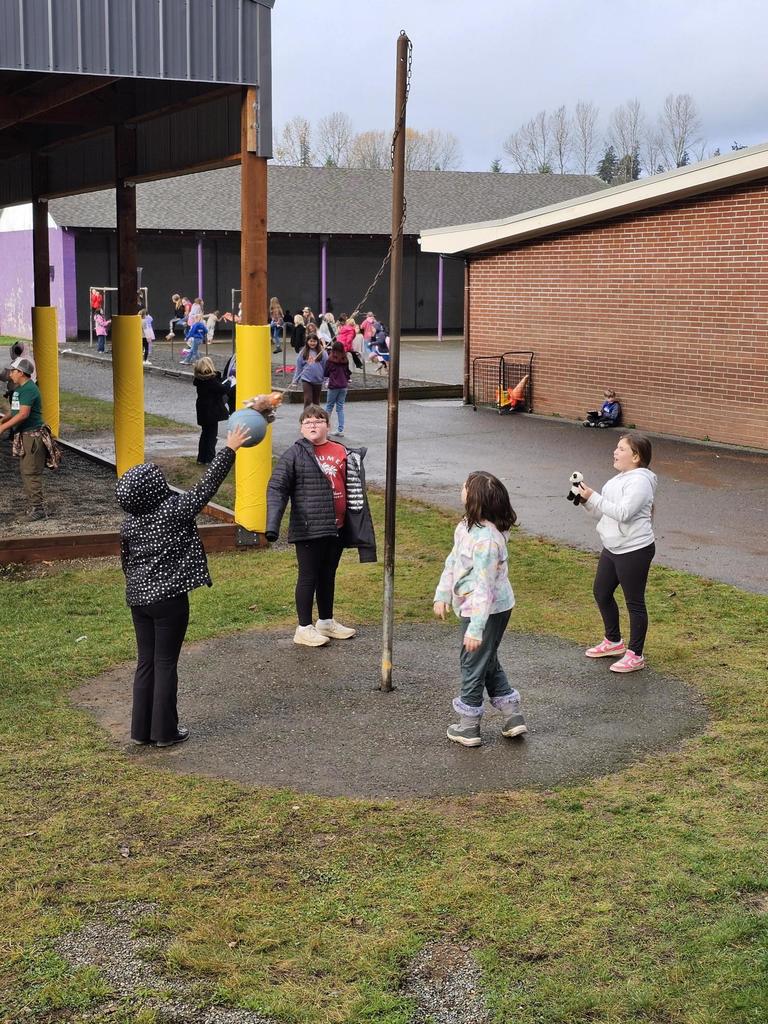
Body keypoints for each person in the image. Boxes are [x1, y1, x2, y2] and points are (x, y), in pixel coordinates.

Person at [116, 419, 258, 747]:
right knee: (166, 663)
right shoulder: (174, 511)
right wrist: (231, 449)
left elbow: (126, 562)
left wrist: (140, 586)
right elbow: (206, 487)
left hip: (138, 601)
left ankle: (141, 732)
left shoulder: (129, 525)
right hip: (168, 601)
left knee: (146, 662)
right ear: (155, 488)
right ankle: (165, 732)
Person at [266, 404, 376, 647]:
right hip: (308, 527)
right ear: (301, 428)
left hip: (336, 526)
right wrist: (272, 523)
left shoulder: (342, 451)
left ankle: (325, 621)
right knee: (308, 576)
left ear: (327, 425)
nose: (312, 424)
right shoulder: (295, 454)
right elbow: (277, 487)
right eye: (307, 422)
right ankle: (303, 627)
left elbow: (353, 485)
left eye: (318, 420)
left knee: (328, 574)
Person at [433, 471, 527, 747]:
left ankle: (468, 727)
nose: (460, 488)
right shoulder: (466, 526)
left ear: (474, 497)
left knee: (472, 663)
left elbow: (484, 587)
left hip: (487, 610)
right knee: (486, 659)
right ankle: (513, 715)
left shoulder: (487, 540)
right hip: (474, 607)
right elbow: (454, 561)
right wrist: (442, 594)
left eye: (464, 486)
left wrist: (476, 628)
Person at [578, 433, 657, 674]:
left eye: (621, 448)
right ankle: (613, 642)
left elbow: (624, 513)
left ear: (635, 456)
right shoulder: (617, 480)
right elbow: (602, 513)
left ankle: (635, 655)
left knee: (634, 602)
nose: (615, 451)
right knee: (601, 592)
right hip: (612, 547)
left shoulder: (641, 481)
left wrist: (594, 497)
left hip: (634, 549)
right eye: (616, 447)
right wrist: (585, 501)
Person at [0, 357, 59, 521]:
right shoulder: (21, 389)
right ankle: (32, 507)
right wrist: (3, 420)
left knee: (31, 472)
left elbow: (23, 414)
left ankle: (38, 509)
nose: (10, 373)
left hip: (32, 436)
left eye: (13, 371)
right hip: (26, 435)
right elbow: (14, 412)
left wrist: (3, 428)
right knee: (26, 471)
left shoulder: (28, 390)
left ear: (21, 373)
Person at [192, 356, 230, 464]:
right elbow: (222, 389)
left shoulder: (199, 379)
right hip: (212, 410)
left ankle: (201, 458)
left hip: (202, 409)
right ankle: (210, 458)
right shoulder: (211, 380)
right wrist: (228, 382)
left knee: (205, 434)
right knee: (212, 435)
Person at [291, 332, 328, 407]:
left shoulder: (323, 353)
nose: (312, 343)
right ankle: (306, 416)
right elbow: (299, 368)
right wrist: (295, 381)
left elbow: (326, 367)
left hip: (318, 380)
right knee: (308, 399)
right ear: (307, 342)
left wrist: (326, 380)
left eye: (314, 341)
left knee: (316, 401)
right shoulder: (303, 353)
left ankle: (316, 417)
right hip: (306, 379)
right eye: (310, 341)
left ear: (317, 342)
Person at [325, 341, 351, 437]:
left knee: (329, 407)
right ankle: (340, 430)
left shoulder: (330, 360)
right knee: (340, 408)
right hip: (343, 386)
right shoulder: (345, 359)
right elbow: (348, 372)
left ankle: (326, 430)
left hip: (333, 385)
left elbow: (326, 372)